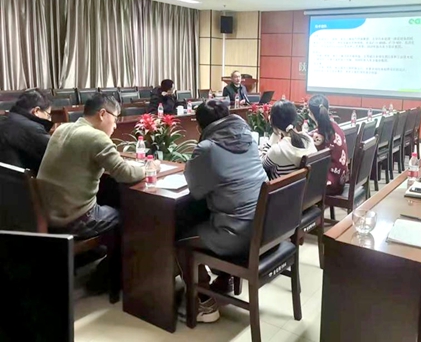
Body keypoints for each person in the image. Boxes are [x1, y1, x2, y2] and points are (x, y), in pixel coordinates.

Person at [176, 99, 267, 322]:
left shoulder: (207, 148)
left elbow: (196, 191)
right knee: (211, 214)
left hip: (235, 236)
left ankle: (204, 303)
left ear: (199, 126)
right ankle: (224, 280)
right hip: (262, 227)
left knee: (179, 241)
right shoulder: (249, 138)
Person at [37, 93, 153, 238]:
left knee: (109, 195)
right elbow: (125, 174)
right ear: (102, 114)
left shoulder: (62, 128)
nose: (115, 126)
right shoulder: (96, 137)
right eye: (115, 119)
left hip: (46, 215)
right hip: (73, 220)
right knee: (129, 215)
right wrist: (149, 168)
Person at [0, 89, 53, 174]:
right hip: (21, 180)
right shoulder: (32, 129)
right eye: (48, 114)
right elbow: (55, 155)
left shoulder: (6, 120)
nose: (49, 118)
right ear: (36, 111)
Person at [259, 100, 316, 179]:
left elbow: (261, 165)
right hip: (301, 185)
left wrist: (271, 140)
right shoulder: (308, 140)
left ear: (273, 122)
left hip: (279, 186)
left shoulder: (277, 150)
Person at [307, 95, 349, 195]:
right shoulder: (336, 127)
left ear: (311, 114)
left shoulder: (317, 136)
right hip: (341, 180)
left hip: (329, 186)